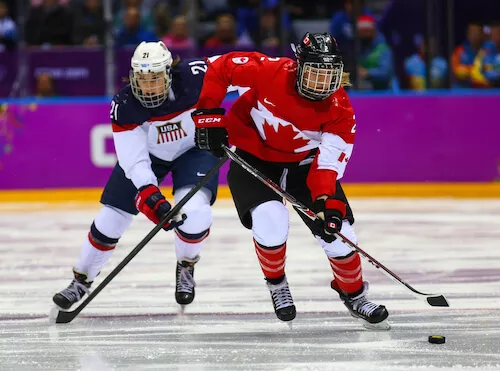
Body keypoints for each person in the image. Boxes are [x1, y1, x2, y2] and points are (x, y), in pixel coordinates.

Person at [191, 33, 390, 329]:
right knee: (270, 221)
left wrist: (326, 203)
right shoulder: (270, 71)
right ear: (299, 65)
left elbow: (327, 165)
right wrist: (208, 115)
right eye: (315, 73)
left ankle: (355, 295)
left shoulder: (341, 111)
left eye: (328, 75)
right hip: (253, 156)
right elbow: (221, 67)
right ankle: (276, 283)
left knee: (340, 233)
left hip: (304, 166)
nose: (322, 84)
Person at [53, 41, 220, 310]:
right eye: (142, 79)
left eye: (155, 78)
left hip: (194, 150)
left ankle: (186, 265)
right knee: (110, 221)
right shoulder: (124, 104)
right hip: (149, 158)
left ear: (169, 72)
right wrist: (149, 193)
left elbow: (242, 70)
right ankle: (80, 281)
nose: (148, 86)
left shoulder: (196, 74)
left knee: (195, 212)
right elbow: (133, 158)